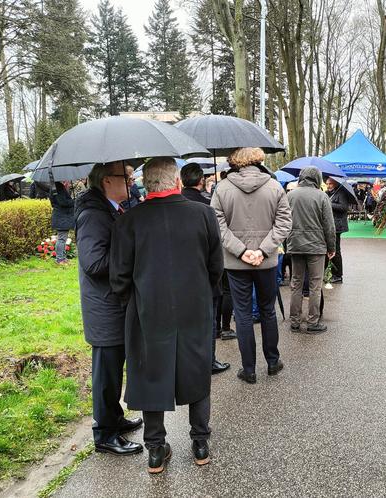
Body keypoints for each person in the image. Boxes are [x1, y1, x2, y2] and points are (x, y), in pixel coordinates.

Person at [110, 157, 223, 474]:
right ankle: (200, 442)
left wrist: (133, 300)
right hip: (195, 306)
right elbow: (216, 266)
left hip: (148, 308)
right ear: (176, 182)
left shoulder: (130, 221)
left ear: (147, 184)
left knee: (151, 372)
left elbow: (118, 276)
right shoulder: (203, 213)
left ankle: (156, 449)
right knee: (198, 368)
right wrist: (203, 291)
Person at [75, 162, 142, 457]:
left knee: (115, 370)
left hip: (114, 304)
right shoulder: (93, 215)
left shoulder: (109, 209)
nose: (131, 181)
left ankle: (114, 418)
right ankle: (104, 434)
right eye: (126, 177)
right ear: (106, 182)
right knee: (106, 373)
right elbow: (93, 263)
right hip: (105, 309)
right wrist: (129, 257)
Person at [210, 147, 292, 385]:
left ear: (234, 162)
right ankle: (273, 361)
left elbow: (218, 226)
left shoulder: (222, 188)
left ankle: (249, 369)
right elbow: (284, 222)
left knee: (243, 315)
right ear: (258, 160)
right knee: (267, 310)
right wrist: (263, 250)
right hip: (265, 261)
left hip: (236, 264)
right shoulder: (274, 186)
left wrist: (242, 252)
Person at [180, 163, 233, 374]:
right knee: (208, 321)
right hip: (204, 274)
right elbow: (216, 244)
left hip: (182, 273)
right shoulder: (207, 205)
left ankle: (188, 361)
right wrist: (215, 277)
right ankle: (209, 361)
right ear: (201, 181)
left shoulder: (176, 203)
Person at [288, 167, 336, 334]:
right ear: (317, 178)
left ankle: (294, 321)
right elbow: (329, 225)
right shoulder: (322, 196)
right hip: (316, 246)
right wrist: (331, 247)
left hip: (295, 244)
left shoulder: (290, 195)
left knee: (296, 284)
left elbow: (283, 220)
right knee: (315, 285)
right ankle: (312, 321)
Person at [325, 177, 349, 284]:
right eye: (327, 184)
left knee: (336, 250)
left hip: (337, 225)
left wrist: (329, 203)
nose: (328, 186)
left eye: (330, 184)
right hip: (330, 225)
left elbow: (344, 207)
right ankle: (330, 272)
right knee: (329, 249)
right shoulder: (328, 193)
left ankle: (338, 275)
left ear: (335, 183)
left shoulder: (341, 193)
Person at [49, 181, 75, 265]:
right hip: (62, 217)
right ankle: (60, 259)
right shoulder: (58, 187)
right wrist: (74, 201)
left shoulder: (54, 186)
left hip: (61, 216)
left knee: (62, 238)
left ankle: (63, 258)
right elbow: (63, 202)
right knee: (61, 238)